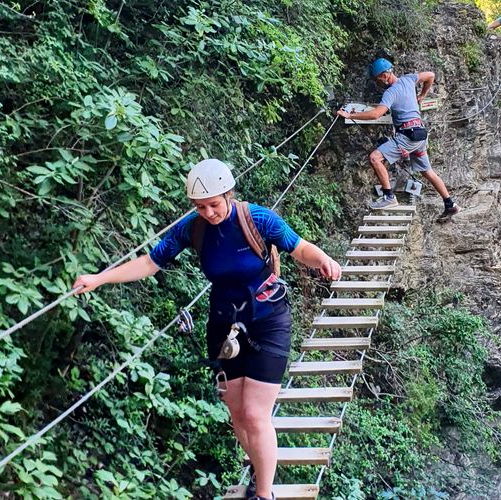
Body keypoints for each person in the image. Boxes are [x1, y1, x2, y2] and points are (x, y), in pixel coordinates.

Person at [72, 159, 342, 500]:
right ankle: (262, 470)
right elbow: (150, 262)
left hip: (268, 320)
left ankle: (263, 494)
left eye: (214, 204)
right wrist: (99, 279)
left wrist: (324, 260)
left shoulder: (256, 218)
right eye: (200, 206)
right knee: (238, 416)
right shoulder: (192, 228)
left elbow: (298, 247)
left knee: (256, 415)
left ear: (228, 194)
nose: (209, 212)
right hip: (224, 326)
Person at [337, 58, 459, 219]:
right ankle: (450, 204)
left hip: (408, 136)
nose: (377, 83)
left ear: (384, 75)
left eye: (377, 79)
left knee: (375, 158)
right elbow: (430, 75)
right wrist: (422, 95)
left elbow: (376, 114)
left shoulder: (391, 92)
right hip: (420, 135)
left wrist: (350, 115)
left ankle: (389, 197)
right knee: (427, 171)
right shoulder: (409, 79)